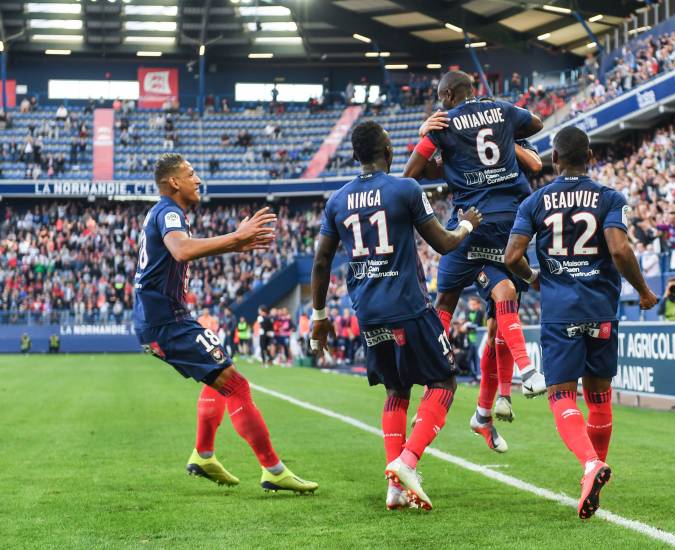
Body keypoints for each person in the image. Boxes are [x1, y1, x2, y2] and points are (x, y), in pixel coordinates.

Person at [310, 120, 482, 511]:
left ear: (355, 155)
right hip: (407, 305)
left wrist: (320, 314)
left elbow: (321, 261)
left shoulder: (336, 201)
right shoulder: (405, 188)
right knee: (443, 382)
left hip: (368, 312)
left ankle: (394, 488)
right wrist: (469, 223)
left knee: (396, 390)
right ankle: (406, 461)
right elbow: (444, 243)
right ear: (387, 152)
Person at [133, 153, 317, 494]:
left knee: (218, 375)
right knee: (237, 386)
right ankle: (273, 470)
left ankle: (203, 454)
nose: (198, 179)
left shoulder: (162, 213)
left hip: (162, 320)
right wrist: (235, 238)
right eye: (191, 173)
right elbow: (181, 250)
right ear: (174, 182)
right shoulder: (168, 211)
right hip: (166, 322)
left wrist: (233, 246)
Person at [504, 126, 659, 520]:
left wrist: (535, 278)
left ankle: (590, 465)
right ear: (589, 156)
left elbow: (511, 257)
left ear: (554, 159)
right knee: (599, 397)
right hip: (601, 310)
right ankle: (595, 474)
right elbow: (620, 249)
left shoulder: (535, 201)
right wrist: (642, 290)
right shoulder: (609, 197)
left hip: (561, 313)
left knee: (560, 394)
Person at [403, 70, 547, 453]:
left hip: (471, 221)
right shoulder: (501, 110)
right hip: (511, 221)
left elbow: (410, 174)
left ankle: (477, 399)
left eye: (439, 96)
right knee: (501, 302)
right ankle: (502, 395)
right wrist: (508, 136)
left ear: (448, 94)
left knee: (449, 302)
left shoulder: (445, 121)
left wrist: (427, 134)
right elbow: (536, 125)